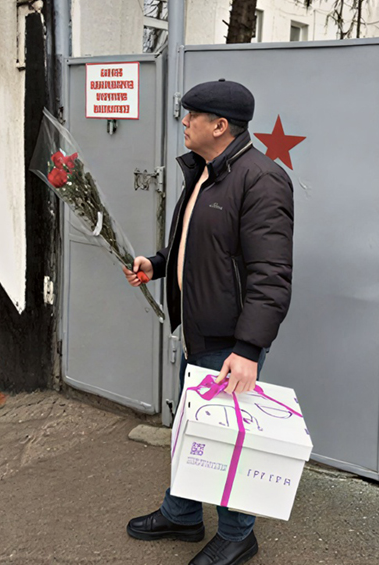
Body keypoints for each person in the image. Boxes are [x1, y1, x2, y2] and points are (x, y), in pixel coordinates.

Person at [122, 78, 294, 565]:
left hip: (229, 341)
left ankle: (238, 535)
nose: (184, 121)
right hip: (198, 331)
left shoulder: (261, 179)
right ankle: (182, 514)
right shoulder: (204, 172)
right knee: (193, 429)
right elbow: (195, 242)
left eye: (192, 115)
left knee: (225, 439)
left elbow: (271, 275)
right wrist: (157, 264)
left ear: (219, 126)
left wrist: (248, 349)